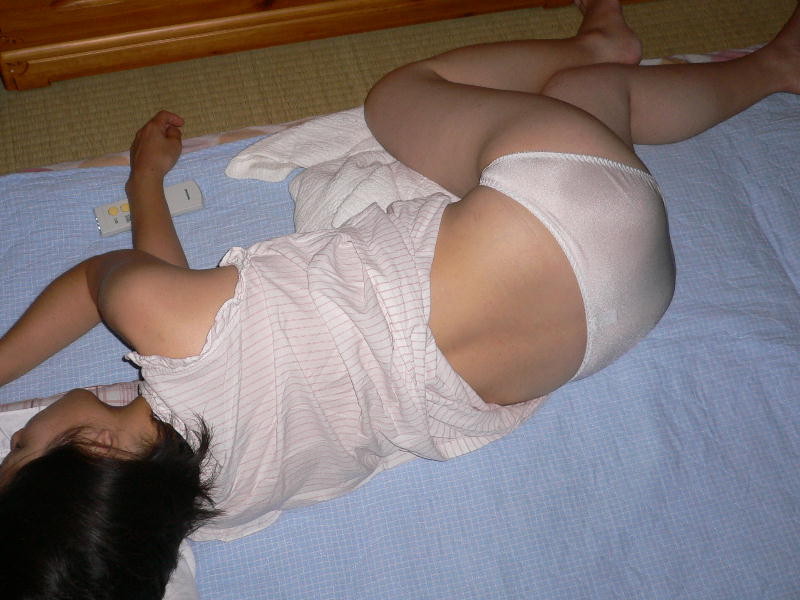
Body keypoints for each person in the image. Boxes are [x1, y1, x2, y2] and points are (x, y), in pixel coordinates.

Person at [1, 0, 798, 597]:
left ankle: (727, 70)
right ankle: (640, 56)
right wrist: (143, 181)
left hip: (616, 319)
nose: (12, 439)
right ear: (92, 445)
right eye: (19, 448)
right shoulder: (163, 319)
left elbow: (166, 307)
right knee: (404, 96)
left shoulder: (228, 508)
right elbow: (106, 284)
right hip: (566, 201)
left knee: (590, 104)